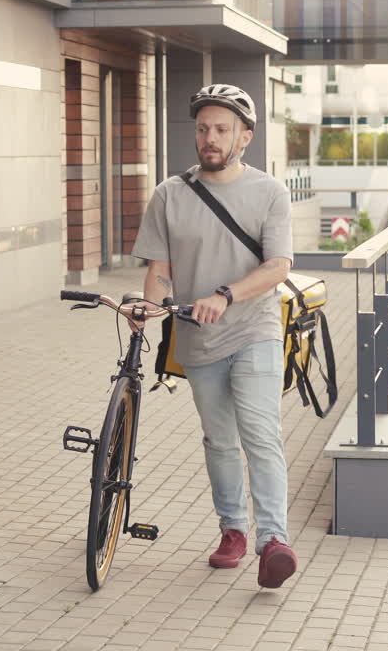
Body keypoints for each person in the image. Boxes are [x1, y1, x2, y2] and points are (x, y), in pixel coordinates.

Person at [126, 83, 297, 588]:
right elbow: (161, 268)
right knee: (219, 441)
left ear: (245, 136)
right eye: (203, 128)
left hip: (254, 329)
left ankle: (273, 542)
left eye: (222, 129)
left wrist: (225, 295)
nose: (210, 137)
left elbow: (278, 267)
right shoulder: (169, 194)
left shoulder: (269, 192)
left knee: (261, 434)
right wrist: (148, 309)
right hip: (197, 339)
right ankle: (232, 531)